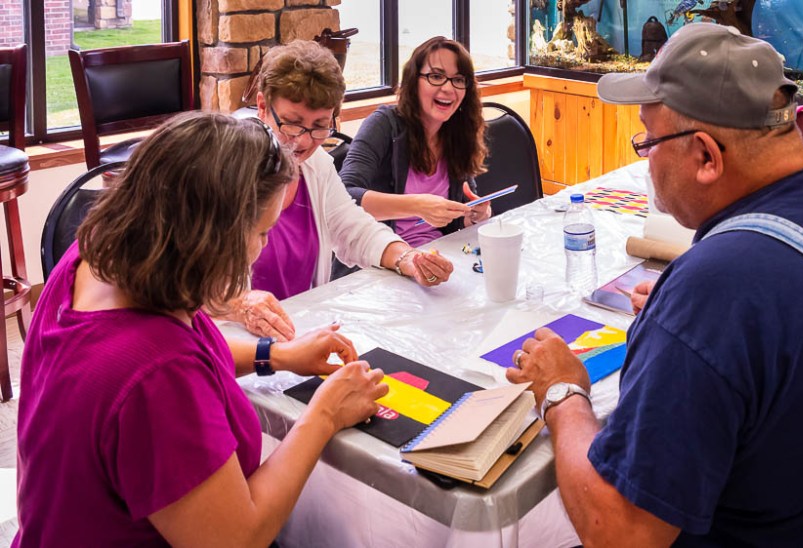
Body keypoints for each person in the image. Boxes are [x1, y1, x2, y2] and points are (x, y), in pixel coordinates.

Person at [507, 23, 803, 546]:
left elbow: (617, 531)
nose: (646, 158)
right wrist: (688, 338)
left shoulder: (716, 289)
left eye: (648, 140)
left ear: (706, 157)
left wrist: (563, 395)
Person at [15, 112, 389, 546]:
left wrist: (274, 354)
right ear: (212, 237)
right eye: (262, 232)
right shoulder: (157, 375)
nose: (263, 247)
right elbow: (237, 538)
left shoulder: (94, 258)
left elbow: (181, 355)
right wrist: (324, 414)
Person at [224, 40, 457, 341]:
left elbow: (353, 228)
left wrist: (407, 259)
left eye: (320, 126)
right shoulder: (225, 171)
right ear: (262, 107)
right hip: (234, 347)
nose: (304, 142)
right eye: (293, 124)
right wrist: (238, 304)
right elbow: (176, 279)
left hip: (297, 338)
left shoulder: (316, 165)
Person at [340, 36, 492, 247]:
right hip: (380, 257)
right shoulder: (383, 125)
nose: (448, 89)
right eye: (436, 76)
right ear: (413, 81)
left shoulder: (459, 132)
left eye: (458, 80)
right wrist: (417, 205)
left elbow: (456, 215)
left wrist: (473, 215)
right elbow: (344, 195)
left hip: (436, 253)